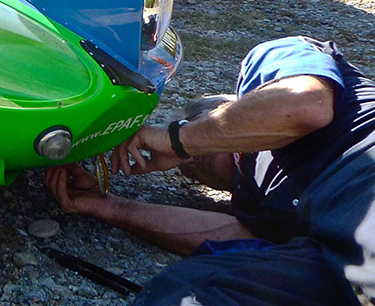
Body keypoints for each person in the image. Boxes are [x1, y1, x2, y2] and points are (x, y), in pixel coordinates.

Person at [45, 36, 375, 305]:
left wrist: (178, 140)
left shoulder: (276, 61)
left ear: (229, 104)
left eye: (190, 124)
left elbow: (303, 107)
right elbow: (234, 237)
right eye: (190, 173)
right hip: (335, 261)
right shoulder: (254, 202)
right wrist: (108, 205)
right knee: (188, 288)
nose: (189, 165)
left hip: (363, 179)